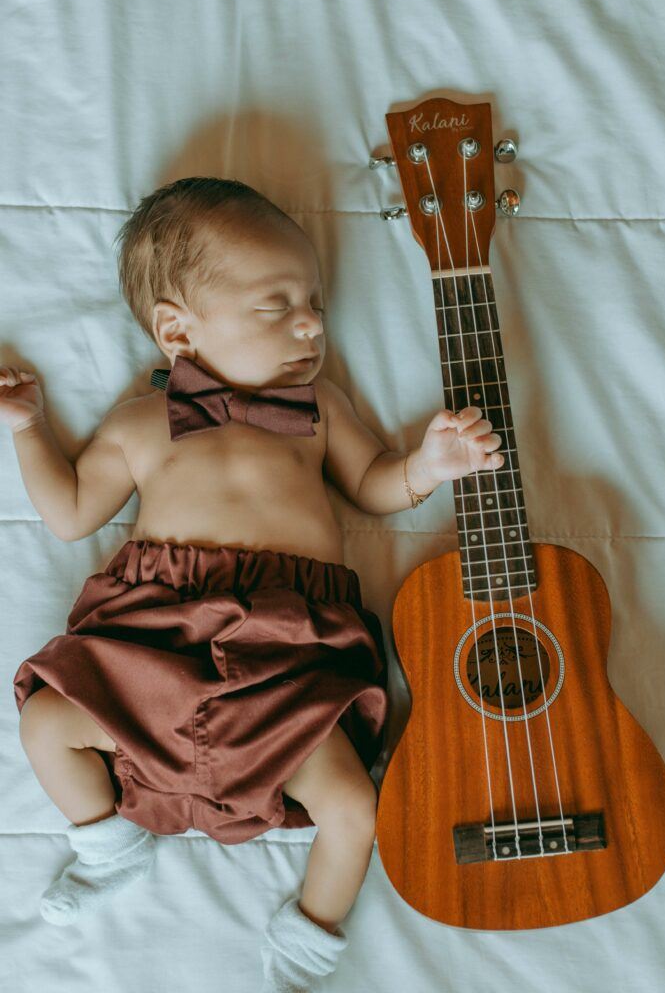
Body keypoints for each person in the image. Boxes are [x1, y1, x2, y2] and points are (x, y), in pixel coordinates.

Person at [2, 177, 504, 991]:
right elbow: (67, 515)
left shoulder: (318, 409)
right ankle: (104, 841)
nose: (309, 325)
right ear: (176, 330)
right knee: (45, 723)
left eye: (315, 304)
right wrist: (29, 429)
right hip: (152, 648)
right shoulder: (139, 423)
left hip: (289, 658)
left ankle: (312, 933)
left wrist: (428, 465)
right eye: (275, 308)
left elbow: (374, 486)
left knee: (351, 804)